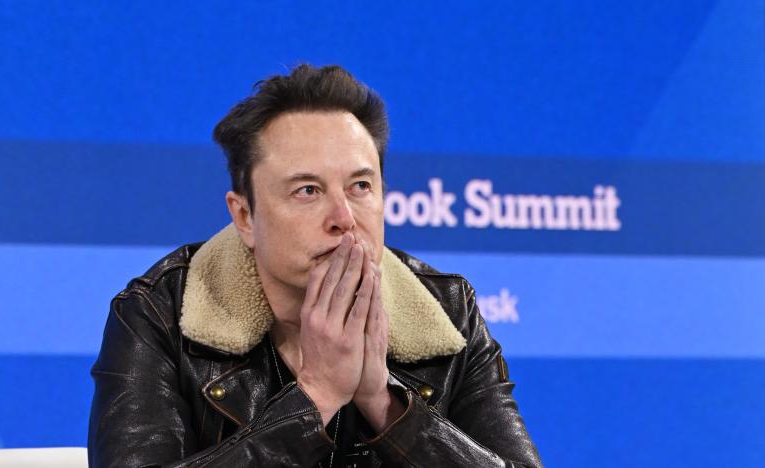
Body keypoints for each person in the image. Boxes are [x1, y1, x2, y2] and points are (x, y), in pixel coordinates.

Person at [88, 64, 542, 468]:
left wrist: (384, 404)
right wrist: (317, 396)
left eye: (361, 186)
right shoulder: (158, 314)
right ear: (245, 216)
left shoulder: (448, 312)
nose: (344, 219)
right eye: (307, 191)